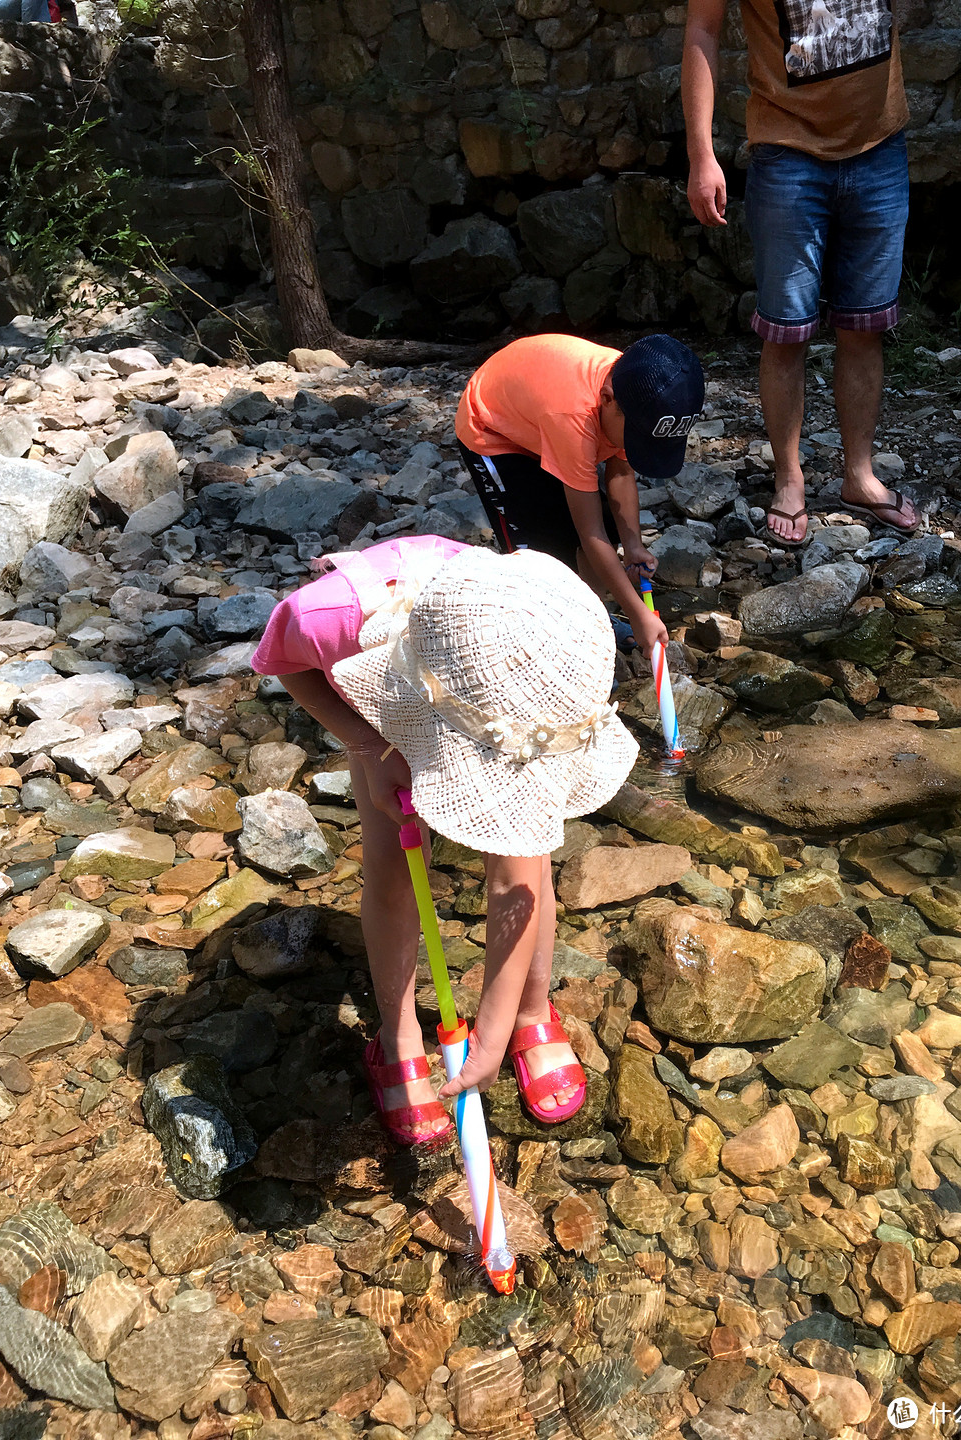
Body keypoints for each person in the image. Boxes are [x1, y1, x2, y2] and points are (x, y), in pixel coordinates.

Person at [251, 536, 638, 1143]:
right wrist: (368, 746)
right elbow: (283, 664)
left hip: (507, 704)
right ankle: (399, 1036)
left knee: (526, 859)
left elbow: (515, 885)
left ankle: (532, 1010)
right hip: (394, 699)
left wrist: (491, 1023)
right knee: (394, 860)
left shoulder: (549, 634)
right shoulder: (328, 618)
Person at [683, 0, 919, 545]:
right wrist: (702, 155)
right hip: (787, 150)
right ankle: (790, 479)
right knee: (786, 330)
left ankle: (859, 475)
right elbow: (702, 29)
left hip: (879, 144)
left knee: (865, 326)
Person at [455, 332, 705, 656]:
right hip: (493, 430)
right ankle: (540, 644)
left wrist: (633, 546)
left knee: (609, 528)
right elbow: (591, 534)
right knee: (540, 557)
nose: (634, 447)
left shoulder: (643, 387)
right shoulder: (574, 416)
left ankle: (591, 620)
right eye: (637, 439)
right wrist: (637, 612)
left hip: (541, 419)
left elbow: (621, 471)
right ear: (607, 398)